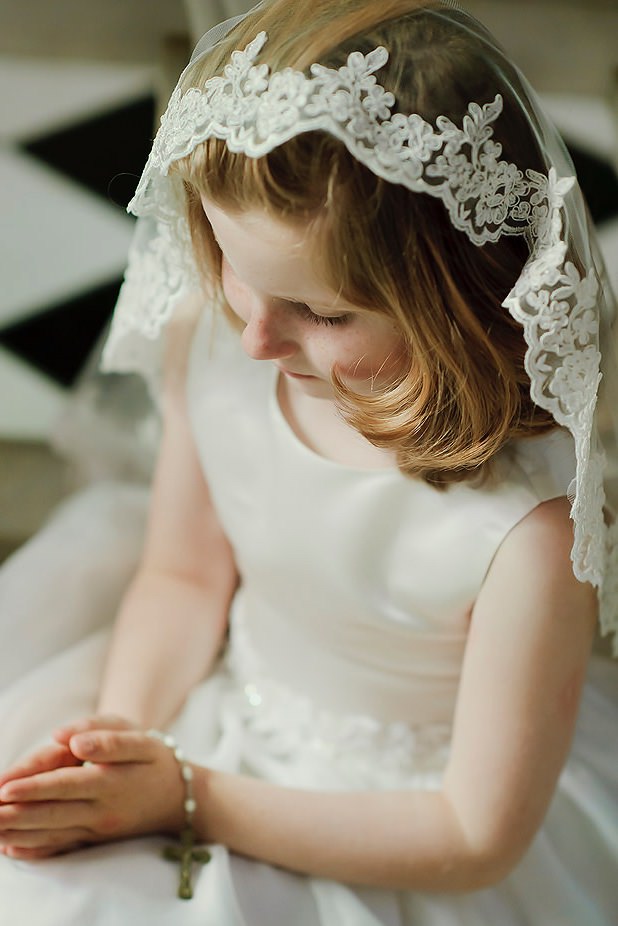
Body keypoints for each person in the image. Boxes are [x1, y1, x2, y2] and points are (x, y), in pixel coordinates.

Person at [0, 0, 617, 923]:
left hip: (406, 818)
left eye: (323, 314)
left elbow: (473, 837)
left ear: (464, 298)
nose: (253, 339)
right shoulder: (212, 342)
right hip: (221, 708)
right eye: (236, 271)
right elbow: (181, 572)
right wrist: (123, 740)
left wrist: (187, 797)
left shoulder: (525, 532)